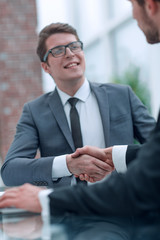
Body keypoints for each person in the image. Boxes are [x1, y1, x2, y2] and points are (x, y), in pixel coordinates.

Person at [1, 0, 160, 217]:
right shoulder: (34, 111)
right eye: (58, 50)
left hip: (122, 210)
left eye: (74, 46)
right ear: (45, 66)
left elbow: (156, 149)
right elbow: (11, 171)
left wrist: (118, 160)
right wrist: (67, 164)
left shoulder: (122, 95)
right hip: (67, 216)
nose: (69, 53)